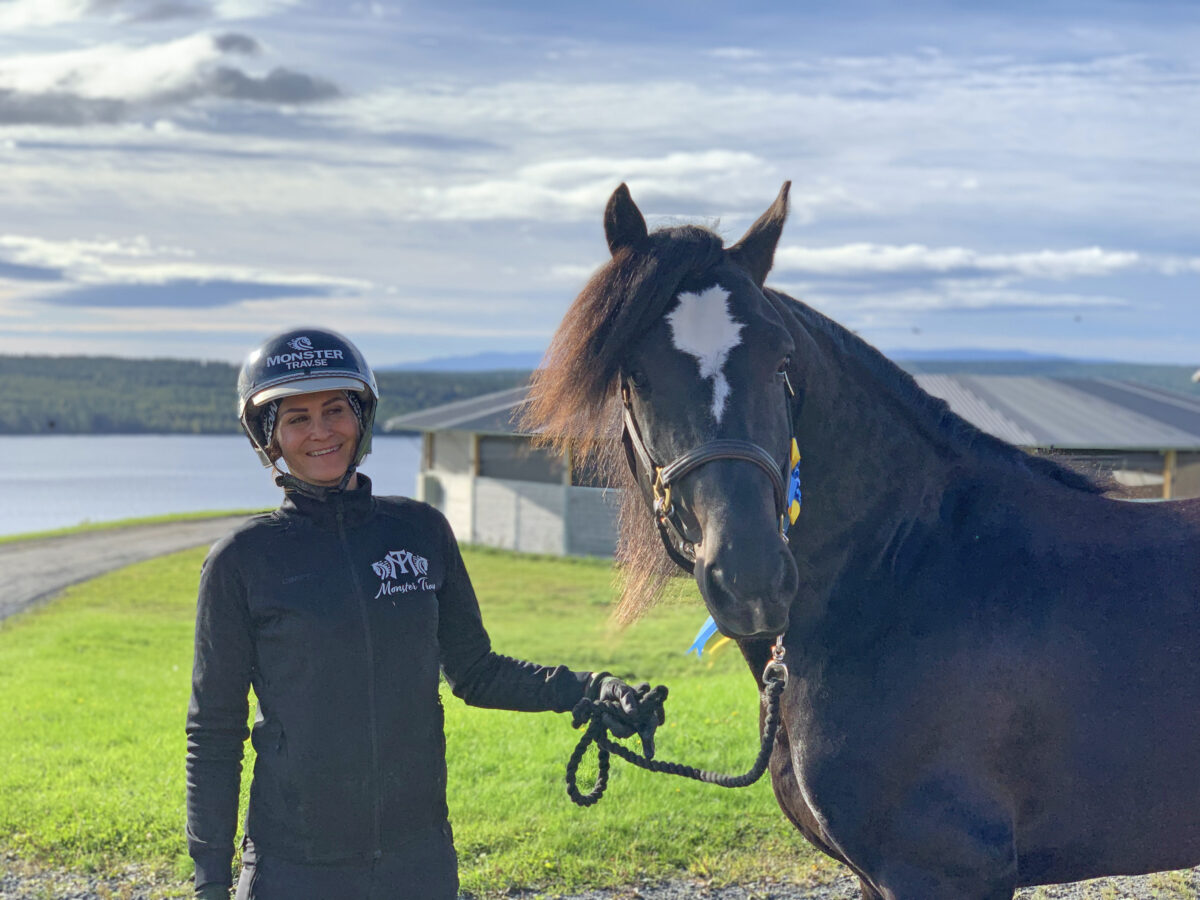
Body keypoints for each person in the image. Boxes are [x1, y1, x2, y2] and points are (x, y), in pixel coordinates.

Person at [186, 327, 663, 900]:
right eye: (297, 419)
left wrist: (588, 690)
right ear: (269, 437)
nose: (320, 432)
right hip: (296, 866)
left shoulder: (419, 530)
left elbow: (476, 671)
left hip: (419, 861)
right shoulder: (242, 561)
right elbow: (213, 733)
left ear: (361, 418)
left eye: (335, 410)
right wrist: (211, 881)